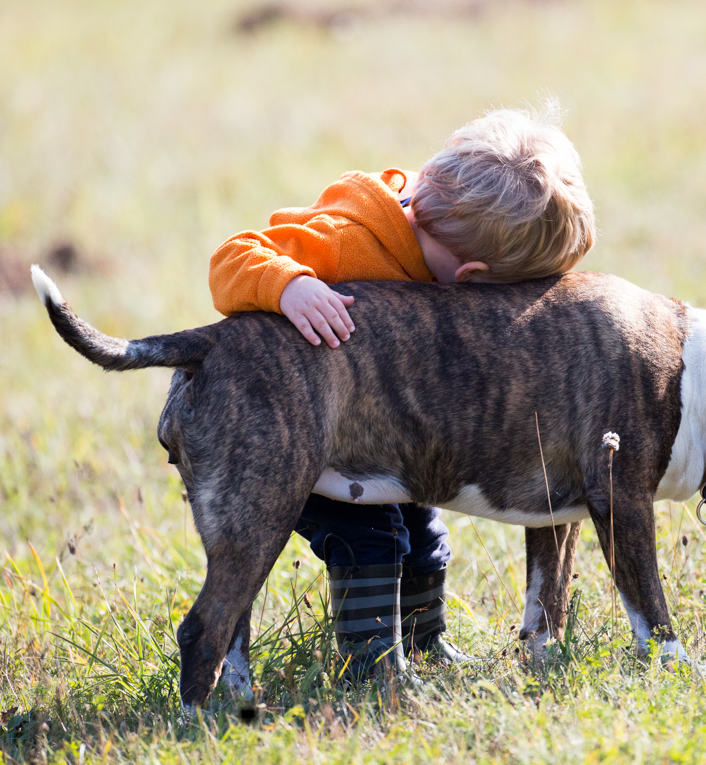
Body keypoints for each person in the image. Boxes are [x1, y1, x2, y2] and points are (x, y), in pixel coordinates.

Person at [208, 101, 595, 678]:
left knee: (422, 534)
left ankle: (419, 641)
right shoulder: (346, 237)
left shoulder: (450, 221)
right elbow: (231, 259)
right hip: (295, 432)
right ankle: (371, 662)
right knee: (371, 540)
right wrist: (291, 286)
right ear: (473, 282)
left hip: (378, 440)